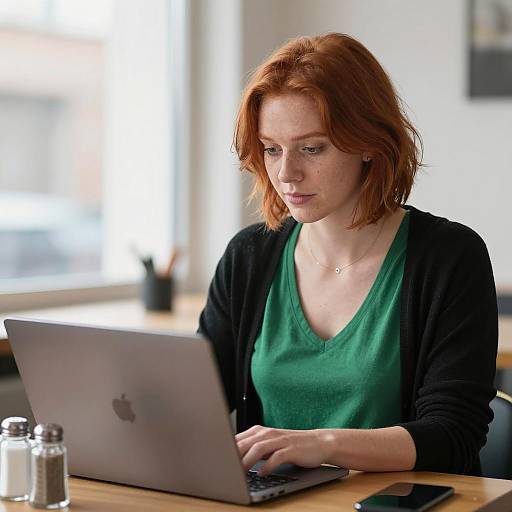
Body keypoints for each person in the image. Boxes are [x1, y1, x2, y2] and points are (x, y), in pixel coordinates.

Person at [198, 33, 497, 477]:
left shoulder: (450, 258)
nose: (286, 173)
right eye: (272, 149)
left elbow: (453, 435)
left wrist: (320, 444)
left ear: (369, 143)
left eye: (312, 148)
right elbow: (194, 405)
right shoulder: (249, 257)